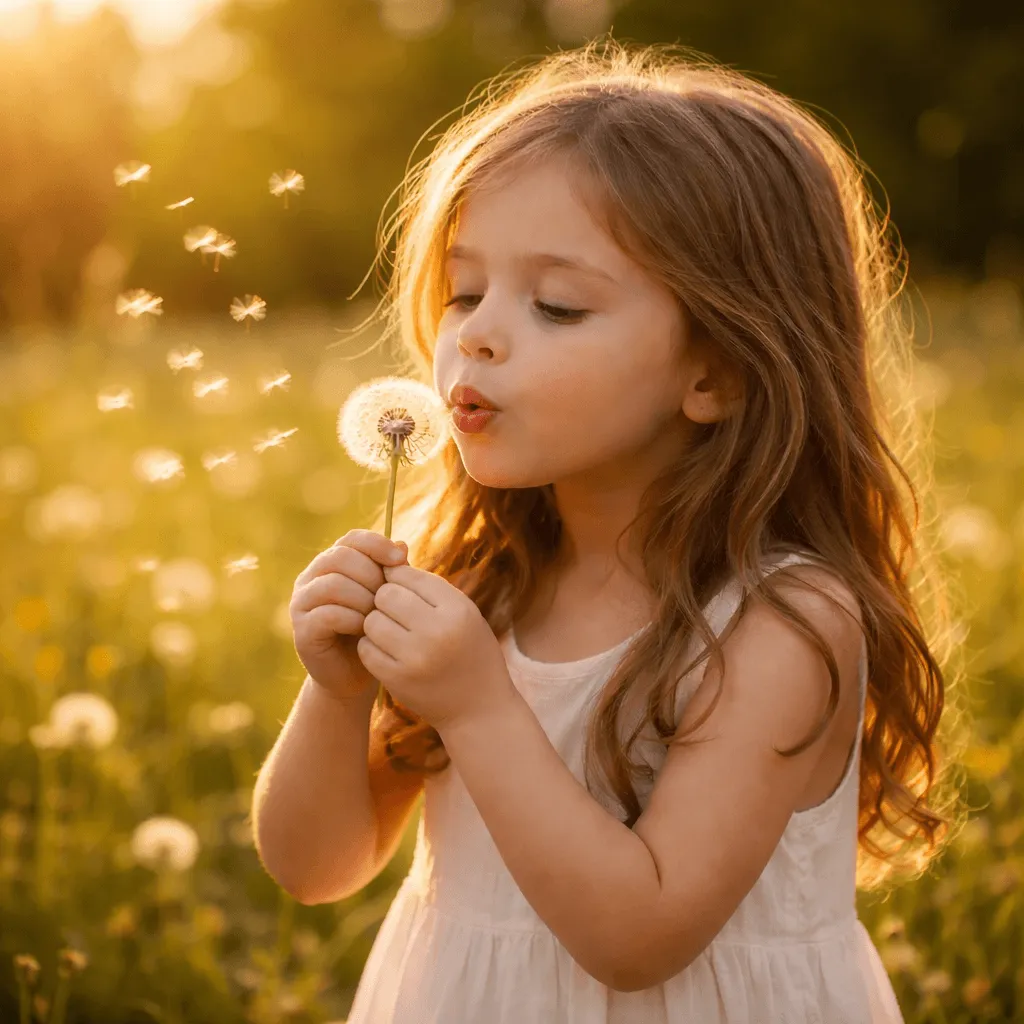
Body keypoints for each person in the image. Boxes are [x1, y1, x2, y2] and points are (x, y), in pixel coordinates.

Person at [254, 38, 963, 1024]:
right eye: (464, 290)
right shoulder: (478, 575)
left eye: (557, 304)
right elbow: (315, 865)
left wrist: (476, 703)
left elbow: (637, 939)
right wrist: (333, 693)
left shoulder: (779, 621)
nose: (478, 334)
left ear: (714, 372)